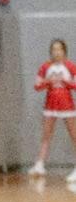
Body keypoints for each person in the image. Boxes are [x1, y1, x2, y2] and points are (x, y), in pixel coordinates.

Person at [30, 39, 76, 183]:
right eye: (54, 49)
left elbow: (75, 84)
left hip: (67, 106)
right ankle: (40, 164)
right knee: (46, 136)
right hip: (50, 106)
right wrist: (48, 81)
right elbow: (37, 85)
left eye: (59, 49)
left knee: (74, 136)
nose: (56, 52)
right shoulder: (45, 67)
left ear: (64, 51)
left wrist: (65, 81)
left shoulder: (70, 66)